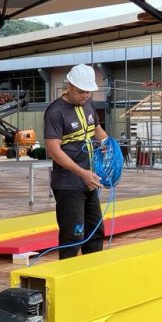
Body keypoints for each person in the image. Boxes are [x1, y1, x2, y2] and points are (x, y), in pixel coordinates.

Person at [43, 64, 109, 260]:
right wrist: (83, 173)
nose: (85, 96)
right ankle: (66, 281)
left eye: (88, 91)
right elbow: (54, 150)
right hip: (68, 184)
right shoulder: (55, 112)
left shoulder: (87, 105)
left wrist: (108, 144)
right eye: (81, 91)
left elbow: (97, 131)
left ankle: (92, 275)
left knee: (95, 232)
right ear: (69, 86)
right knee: (73, 236)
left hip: (89, 182)